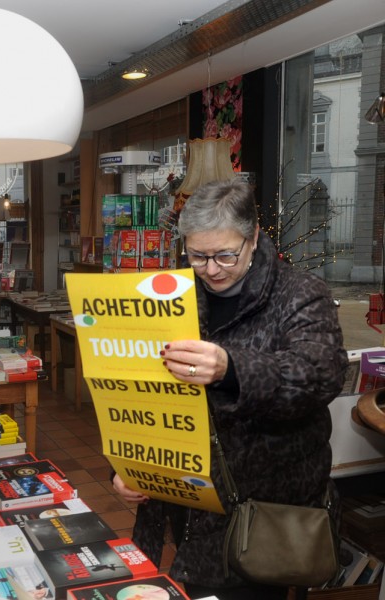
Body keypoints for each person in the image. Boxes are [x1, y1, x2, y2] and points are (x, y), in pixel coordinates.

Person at [110, 179, 348, 600]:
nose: (212, 268)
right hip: (187, 495)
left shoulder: (299, 294)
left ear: (254, 238)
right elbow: (135, 389)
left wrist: (231, 367)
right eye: (198, 255)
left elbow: (320, 374)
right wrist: (130, 468)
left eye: (224, 254)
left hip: (262, 511)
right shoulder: (171, 294)